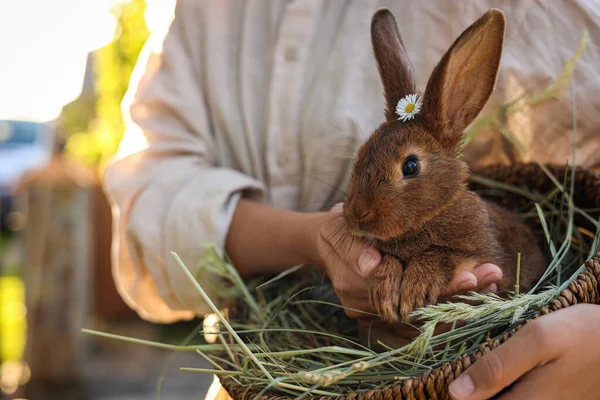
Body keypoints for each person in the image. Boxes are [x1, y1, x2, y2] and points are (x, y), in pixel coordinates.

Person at [102, 1, 600, 399]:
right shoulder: (201, 12)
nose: (360, 208)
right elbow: (150, 188)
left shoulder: (464, 216)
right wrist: (314, 242)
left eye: (408, 170)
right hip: (281, 374)